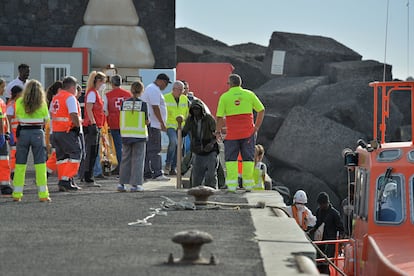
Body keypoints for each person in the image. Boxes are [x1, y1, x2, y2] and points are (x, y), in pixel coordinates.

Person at [215, 74, 265, 192]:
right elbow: (261, 110)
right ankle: (248, 185)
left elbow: (219, 117)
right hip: (248, 133)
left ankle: (232, 186)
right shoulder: (249, 94)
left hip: (232, 134)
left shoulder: (225, 97)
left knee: (231, 159)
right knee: (248, 158)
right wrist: (256, 126)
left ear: (230, 84)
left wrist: (218, 132)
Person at [13, 79, 51, 202]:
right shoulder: (42, 104)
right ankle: (43, 194)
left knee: (20, 163)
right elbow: (47, 120)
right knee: (40, 164)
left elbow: (18, 116)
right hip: (38, 133)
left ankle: (17, 194)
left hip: (23, 132)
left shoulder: (19, 102)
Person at [50, 76, 83, 192]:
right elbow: (73, 114)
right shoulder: (70, 98)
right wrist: (77, 127)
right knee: (76, 154)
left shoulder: (56, 98)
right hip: (67, 131)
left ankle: (63, 181)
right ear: (73, 87)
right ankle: (65, 179)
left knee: (62, 158)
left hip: (56, 132)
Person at [117, 81, 148, 192]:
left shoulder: (124, 103)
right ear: (141, 91)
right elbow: (146, 121)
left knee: (125, 159)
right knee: (138, 160)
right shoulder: (143, 104)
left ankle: (121, 184)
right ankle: (135, 185)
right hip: (139, 135)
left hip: (126, 135)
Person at [182, 99, 219, 188]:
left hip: (210, 148)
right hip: (197, 149)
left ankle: (213, 191)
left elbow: (216, 133)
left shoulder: (209, 119)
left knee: (211, 175)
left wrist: (211, 144)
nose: (196, 111)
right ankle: (196, 193)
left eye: (197, 109)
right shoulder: (190, 120)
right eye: (194, 109)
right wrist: (179, 130)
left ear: (201, 109)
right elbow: (184, 132)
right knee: (197, 176)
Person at [141, 73, 171, 181]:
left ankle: (147, 172)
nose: (166, 86)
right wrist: (162, 123)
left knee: (149, 150)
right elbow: (155, 107)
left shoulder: (151, 88)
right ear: (161, 81)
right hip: (154, 124)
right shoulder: (153, 90)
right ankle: (157, 173)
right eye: (166, 84)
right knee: (155, 149)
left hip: (152, 124)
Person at [81, 71, 106, 187]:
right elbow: (89, 109)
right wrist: (93, 123)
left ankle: (88, 176)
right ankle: (88, 177)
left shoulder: (94, 93)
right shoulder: (92, 93)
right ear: (98, 81)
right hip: (92, 126)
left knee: (93, 152)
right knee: (91, 152)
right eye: (103, 82)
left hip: (95, 125)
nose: (104, 84)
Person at [103, 74, 131, 175]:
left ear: (111, 83)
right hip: (127, 123)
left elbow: (105, 110)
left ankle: (121, 167)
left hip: (114, 123)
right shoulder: (128, 95)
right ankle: (127, 166)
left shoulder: (108, 95)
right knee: (127, 146)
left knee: (118, 147)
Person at [313, 192, 344, 274]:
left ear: (326, 203)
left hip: (330, 243)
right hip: (320, 242)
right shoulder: (318, 211)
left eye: (322, 204)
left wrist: (340, 245)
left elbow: (341, 229)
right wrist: (309, 232)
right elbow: (317, 225)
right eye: (319, 205)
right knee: (319, 263)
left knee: (327, 263)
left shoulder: (334, 214)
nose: (321, 206)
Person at [164, 80, 188, 175]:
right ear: (174, 89)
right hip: (170, 125)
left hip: (181, 126)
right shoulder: (166, 98)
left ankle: (174, 167)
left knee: (179, 146)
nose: (181, 92)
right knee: (173, 142)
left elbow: (186, 112)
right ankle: (168, 164)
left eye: (182, 90)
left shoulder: (184, 99)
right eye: (180, 90)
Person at [45, 80, 63, 176]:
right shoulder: (57, 100)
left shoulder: (53, 101)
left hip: (54, 131)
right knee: (57, 155)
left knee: (57, 154)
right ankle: (45, 173)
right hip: (57, 131)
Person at [6, 86, 23, 180]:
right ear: (17, 94)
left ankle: (14, 172)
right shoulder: (12, 105)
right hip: (14, 133)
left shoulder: (15, 104)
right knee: (14, 154)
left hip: (18, 133)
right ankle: (13, 172)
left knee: (17, 154)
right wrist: (10, 133)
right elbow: (8, 119)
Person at [0, 93, 13, 196]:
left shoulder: (2, 101)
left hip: (3, 134)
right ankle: (5, 185)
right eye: (2, 87)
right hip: (1, 135)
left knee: (4, 159)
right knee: (4, 159)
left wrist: (7, 131)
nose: (4, 90)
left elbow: (4, 119)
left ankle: (5, 184)